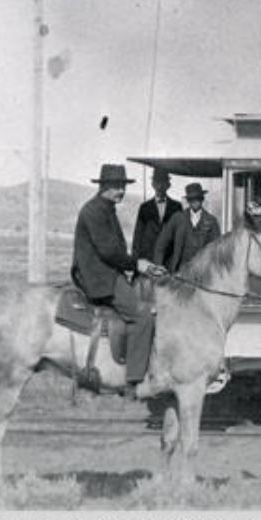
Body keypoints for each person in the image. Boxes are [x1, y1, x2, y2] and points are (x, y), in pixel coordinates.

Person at [71, 164, 165, 397]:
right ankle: (134, 381)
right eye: (116, 186)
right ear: (103, 186)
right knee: (142, 316)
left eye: (123, 186)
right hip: (99, 277)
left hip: (108, 272)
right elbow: (108, 251)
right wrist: (137, 264)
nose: (121, 191)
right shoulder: (94, 211)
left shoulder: (106, 208)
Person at [154, 182, 222, 273]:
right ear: (188, 201)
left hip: (202, 274)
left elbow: (217, 251)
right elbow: (161, 244)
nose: (195, 202)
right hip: (179, 273)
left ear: (202, 199)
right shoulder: (178, 218)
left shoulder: (211, 221)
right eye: (191, 199)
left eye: (198, 198)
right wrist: (158, 266)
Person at [132, 168, 182, 261]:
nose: (160, 186)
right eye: (157, 182)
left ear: (168, 185)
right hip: (148, 259)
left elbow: (180, 235)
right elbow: (137, 237)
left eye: (163, 182)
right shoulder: (144, 207)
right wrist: (136, 262)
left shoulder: (176, 207)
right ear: (152, 185)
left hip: (168, 260)